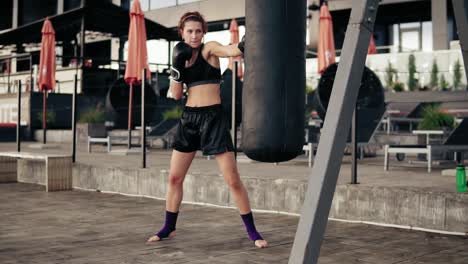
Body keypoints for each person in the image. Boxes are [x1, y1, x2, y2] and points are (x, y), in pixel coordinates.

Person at [147, 11, 268, 248]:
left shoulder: (209, 49)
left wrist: (247, 40)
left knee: (232, 180)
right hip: (189, 119)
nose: (194, 36)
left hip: (213, 118)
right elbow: (178, 95)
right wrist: (176, 66)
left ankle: (253, 231)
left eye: (198, 31)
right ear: (182, 32)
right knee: (174, 178)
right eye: (190, 31)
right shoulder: (180, 57)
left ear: (204, 33)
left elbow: (232, 50)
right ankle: (169, 227)